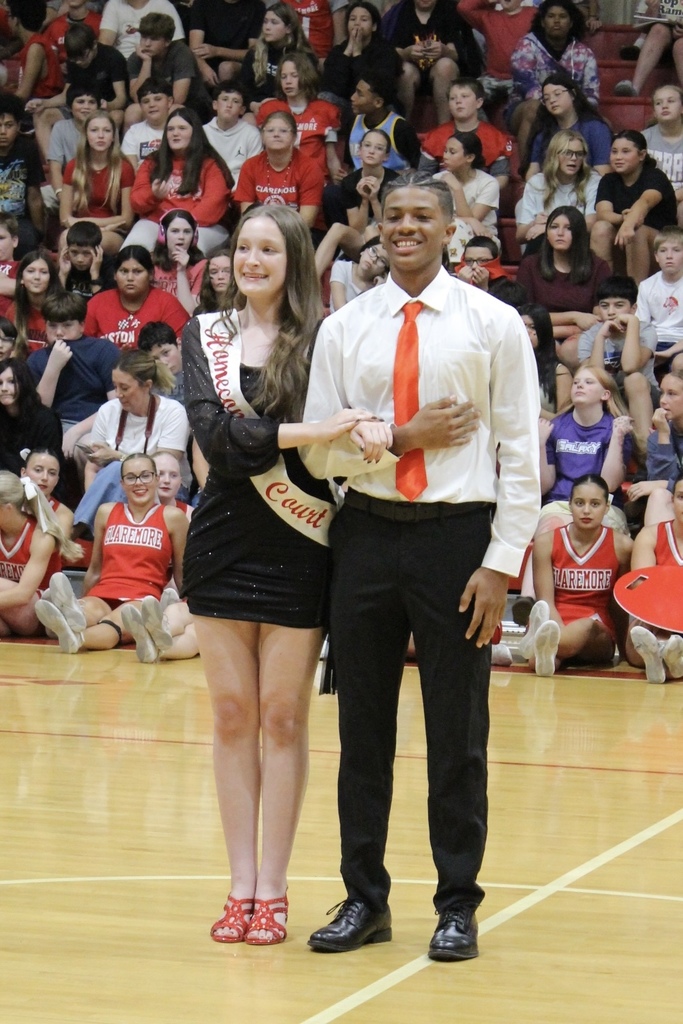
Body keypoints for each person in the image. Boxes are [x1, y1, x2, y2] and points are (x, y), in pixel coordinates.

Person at [302, 176, 540, 960]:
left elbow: (518, 455)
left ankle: (456, 904)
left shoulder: (493, 324)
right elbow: (323, 449)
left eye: (421, 217)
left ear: (450, 230)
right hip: (365, 535)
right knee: (360, 729)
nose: (405, 228)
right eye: (393, 216)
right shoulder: (345, 328)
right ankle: (363, 898)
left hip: (456, 542)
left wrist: (500, 563)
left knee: (456, 731)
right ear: (377, 227)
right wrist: (401, 436)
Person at [181, 205, 378, 946]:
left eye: (268, 248)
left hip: (300, 542)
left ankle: (275, 887)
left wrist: (333, 435)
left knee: (283, 717)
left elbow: (350, 437)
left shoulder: (325, 340)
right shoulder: (206, 335)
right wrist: (307, 432)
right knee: (232, 715)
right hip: (221, 543)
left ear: (294, 259)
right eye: (243, 248)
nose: (252, 259)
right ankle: (238, 887)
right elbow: (220, 441)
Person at [35, 452, 188, 652]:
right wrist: (85, 597)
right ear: (122, 483)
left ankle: (72, 635)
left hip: (143, 597)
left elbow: (181, 571)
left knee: (112, 626)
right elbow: (95, 568)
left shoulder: (174, 517)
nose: (138, 483)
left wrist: (188, 604)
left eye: (145, 475)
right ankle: (70, 614)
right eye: (131, 478)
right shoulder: (106, 512)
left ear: (156, 479)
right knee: (84, 612)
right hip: (103, 592)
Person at [520, 473, 632, 676]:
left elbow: (619, 605)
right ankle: (549, 652)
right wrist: (558, 630)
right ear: (569, 504)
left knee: (586, 626)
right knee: (540, 662)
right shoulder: (546, 542)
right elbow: (546, 601)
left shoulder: (622, 546)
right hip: (555, 619)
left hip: (596, 628)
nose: (586, 510)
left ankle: (538, 642)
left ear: (607, 507)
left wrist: (625, 651)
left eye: (595, 504)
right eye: (579, 503)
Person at [71, 347, 190, 534]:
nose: (118, 394)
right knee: (114, 473)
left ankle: (77, 531)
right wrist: (95, 505)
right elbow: (92, 468)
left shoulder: (173, 412)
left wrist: (118, 456)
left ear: (147, 385)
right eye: (114, 386)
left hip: (165, 488)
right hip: (116, 490)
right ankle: (94, 526)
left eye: (124, 388)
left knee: (116, 469)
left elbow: (165, 466)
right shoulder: (107, 410)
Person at [538, 364, 633, 532]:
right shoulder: (554, 428)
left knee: (592, 532)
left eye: (589, 382)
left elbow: (609, 484)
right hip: (560, 503)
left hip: (603, 505)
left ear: (605, 394)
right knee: (553, 530)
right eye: (576, 383)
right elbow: (544, 486)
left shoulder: (617, 428)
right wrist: (540, 444)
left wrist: (617, 437)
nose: (580, 385)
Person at [26, 292, 119, 460]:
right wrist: (53, 367)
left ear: (82, 325)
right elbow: (39, 410)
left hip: (95, 423)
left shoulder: (103, 350)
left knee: (88, 448)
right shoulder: (37, 359)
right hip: (52, 426)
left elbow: (116, 403)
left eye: (67, 325)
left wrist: (76, 431)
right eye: (52, 326)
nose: (59, 332)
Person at [516, 205, 610, 369]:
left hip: (583, 335)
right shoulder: (530, 265)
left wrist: (560, 329)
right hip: (539, 332)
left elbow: (597, 319)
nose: (560, 233)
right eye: (554, 227)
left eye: (568, 228)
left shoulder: (598, 266)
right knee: (547, 345)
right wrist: (574, 317)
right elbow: (525, 316)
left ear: (579, 233)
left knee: (571, 349)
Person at [128, 107, 233, 254]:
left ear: (194, 133)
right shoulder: (153, 161)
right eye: (170, 129)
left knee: (189, 248)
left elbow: (213, 206)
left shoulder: (210, 163)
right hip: (157, 223)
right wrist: (153, 196)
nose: (175, 133)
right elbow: (136, 201)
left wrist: (178, 227)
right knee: (132, 251)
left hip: (201, 226)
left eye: (182, 128)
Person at [507, 0, 599, 166]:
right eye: (551, 16)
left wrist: (570, 110)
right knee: (533, 107)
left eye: (563, 17)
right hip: (525, 109)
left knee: (604, 123)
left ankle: (590, 177)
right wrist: (556, 107)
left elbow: (591, 94)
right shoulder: (526, 45)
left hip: (572, 110)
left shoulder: (584, 53)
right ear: (542, 21)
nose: (556, 21)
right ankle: (527, 173)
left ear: (571, 23)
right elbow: (525, 85)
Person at [578, 274, 658, 450]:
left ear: (633, 308)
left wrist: (633, 324)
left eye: (619, 305)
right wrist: (601, 337)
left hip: (643, 395)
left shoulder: (645, 330)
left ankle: (645, 453)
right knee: (590, 385)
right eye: (604, 306)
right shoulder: (590, 336)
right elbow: (595, 377)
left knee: (634, 379)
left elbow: (630, 367)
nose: (611, 312)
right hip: (606, 396)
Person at [591, 131, 678, 286]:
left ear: (642, 155)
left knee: (636, 231)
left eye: (626, 152)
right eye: (614, 152)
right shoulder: (608, 180)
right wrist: (623, 219)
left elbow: (644, 202)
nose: (618, 157)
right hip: (623, 244)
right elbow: (603, 213)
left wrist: (630, 222)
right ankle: (605, 290)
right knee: (600, 228)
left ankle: (636, 295)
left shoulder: (655, 176)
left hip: (661, 247)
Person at [0, 470, 80, 638]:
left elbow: (23, 595)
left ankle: (61, 617)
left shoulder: (41, 536)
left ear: (7, 509)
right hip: (7, 611)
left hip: (36, 611)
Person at [624, 472, 683, 683]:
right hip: (659, 613)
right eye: (681, 497)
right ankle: (669, 655)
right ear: (672, 500)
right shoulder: (651, 535)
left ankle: (664, 659)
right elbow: (641, 588)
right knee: (635, 646)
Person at [381, 0, 482, 125]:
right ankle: (401, 127)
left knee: (445, 66)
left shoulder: (451, 11)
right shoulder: (399, 13)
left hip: (443, 74)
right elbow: (390, 52)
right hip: (412, 72)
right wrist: (407, 53)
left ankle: (444, 127)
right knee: (404, 70)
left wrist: (444, 50)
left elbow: (460, 54)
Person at [256, 53, 342, 182]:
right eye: (283, 77)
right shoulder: (269, 109)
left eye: (294, 76)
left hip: (314, 180)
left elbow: (331, 158)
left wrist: (337, 184)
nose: (288, 81)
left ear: (306, 76)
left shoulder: (326, 110)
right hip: (277, 181)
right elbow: (260, 152)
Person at [83, 245, 189, 349]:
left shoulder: (167, 304)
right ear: (115, 275)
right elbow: (82, 346)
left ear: (151, 274)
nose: (130, 278)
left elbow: (182, 348)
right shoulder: (97, 303)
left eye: (137, 271)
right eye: (124, 271)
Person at [60, 111, 135, 255]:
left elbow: (127, 219)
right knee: (65, 238)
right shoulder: (73, 166)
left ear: (113, 137)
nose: (100, 136)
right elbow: (64, 217)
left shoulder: (124, 168)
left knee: (92, 243)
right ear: (86, 136)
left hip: (112, 232)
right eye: (94, 130)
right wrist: (80, 225)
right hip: (79, 231)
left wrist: (84, 222)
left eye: (106, 131)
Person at [234, 110, 325, 229]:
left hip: (299, 233)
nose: (276, 134)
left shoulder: (310, 167)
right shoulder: (250, 166)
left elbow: (307, 221)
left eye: (283, 131)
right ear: (262, 136)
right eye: (270, 130)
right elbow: (247, 215)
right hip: (259, 230)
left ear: (294, 137)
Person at [418, 78, 513, 191]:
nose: (458, 101)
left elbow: (501, 176)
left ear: (479, 102)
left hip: (481, 197)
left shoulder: (496, 138)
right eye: (453, 98)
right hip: (444, 194)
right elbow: (423, 176)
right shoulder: (435, 137)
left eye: (464, 96)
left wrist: (482, 193)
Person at [517, 129, 601, 255]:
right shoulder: (536, 182)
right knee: (539, 240)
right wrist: (534, 224)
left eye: (579, 154)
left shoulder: (593, 181)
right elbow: (520, 235)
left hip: (579, 242)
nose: (574, 158)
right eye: (567, 153)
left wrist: (550, 228)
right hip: (544, 243)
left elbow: (590, 224)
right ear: (554, 155)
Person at [125, 12, 213, 130]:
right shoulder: (136, 58)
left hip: (193, 104)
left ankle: (164, 147)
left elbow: (178, 98)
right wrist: (146, 63)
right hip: (156, 104)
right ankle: (130, 148)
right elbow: (138, 98)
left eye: (154, 39)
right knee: (132, 111)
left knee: (173, 110)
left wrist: (153, 107)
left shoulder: (181, 53)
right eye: (144, 37)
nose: (147, 44)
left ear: (167, 41)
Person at [320, 1, 402, 116]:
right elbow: (332, 87)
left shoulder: (385, 51)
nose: (357, 24)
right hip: (348, 104)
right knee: (324, 98)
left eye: (364, 20)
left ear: (374, 26)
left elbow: (378, 89)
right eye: (353, 19)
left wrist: (358, 54)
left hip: (375, 104)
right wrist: (348, 51)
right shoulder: (339, 51)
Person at [524, 73, 611, 179]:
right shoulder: (543, 131)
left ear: (573, 94)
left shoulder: (596, 129)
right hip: (550, 189)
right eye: (546, 98)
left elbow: (603, 172)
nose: (552, 100)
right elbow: (533, 171)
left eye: (557, 94)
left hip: (586, 189)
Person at [239, 3, 316, 117]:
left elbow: (309, 91)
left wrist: (275, 103)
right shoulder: (254, 53)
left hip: (292, 108)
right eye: (265, 21)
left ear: (289, 28)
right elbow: (243, 88)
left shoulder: (304, 56)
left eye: (274, 22)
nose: (267, 27)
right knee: (248, 119)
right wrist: (252, 104)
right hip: (258, 107)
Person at [627, 370, 683, 527]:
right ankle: (662, 550)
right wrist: (664, 437)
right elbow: (659, 481)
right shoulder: (657, 437)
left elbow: (660, 483)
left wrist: (663, 484)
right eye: (662, 393)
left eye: (672, 394)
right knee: (659, 496)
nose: (663, 400)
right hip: (676, 505)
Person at [434, 131, 499, 265]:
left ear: (469, 157)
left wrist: (457, 189)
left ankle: (456, 271)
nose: (445, 156)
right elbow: (434, 215)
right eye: (445, 151)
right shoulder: (437, 180)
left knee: (458, 226)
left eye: (452, 152)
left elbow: (471, 223)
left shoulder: (488, 183)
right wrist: (470, 220)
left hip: (480, 236)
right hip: (443, 231)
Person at [0, 358, 63, 479]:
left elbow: (49, 464)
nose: (4, 388)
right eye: (0, 383)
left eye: (12, 382)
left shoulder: (46, 420)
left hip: (39, 486)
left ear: (24, 384)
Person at [457, 0, 535, 97]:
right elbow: (463, 7)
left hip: (523, 78)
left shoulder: (534, 14)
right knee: (469, 97)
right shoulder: (488, 17)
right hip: (493, 78)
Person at [0, 94, 46, 258]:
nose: (3, 132)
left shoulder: (28, 149)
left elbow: (34, 195)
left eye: (8, 125)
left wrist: (40, 233)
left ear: (19, 126)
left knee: (26, 239)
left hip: (18, 220)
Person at [635, 226, 683, 371]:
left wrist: (669, 352)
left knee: (679, 364)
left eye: (676, 250)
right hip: (654, 341)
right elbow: (642, 326)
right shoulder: (646, 286)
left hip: (679, 342)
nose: (669, 256)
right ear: (656, 256)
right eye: (663, 251)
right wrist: (648, 350)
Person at [189, 0, 266, 88]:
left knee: (226, 68)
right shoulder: (202, 3)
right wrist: (203, 68)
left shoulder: (257, 7)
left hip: (239, 65)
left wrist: (217, 51)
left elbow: (253, 53)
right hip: (205, 62)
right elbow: (194, 48)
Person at [202, 84, 263, 188]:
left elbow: (255, 171)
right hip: (209, 187)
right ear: (215, 105)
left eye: (235, 101)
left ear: (242, 110)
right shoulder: (202, 132)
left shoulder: (252, 134)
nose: (229, 105)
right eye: (225, 99)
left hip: (241, 189)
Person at [7, 249, 64, 357]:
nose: (37, 277)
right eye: (31, 271)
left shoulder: (63, 309)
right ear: (21, 278)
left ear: (51, 279)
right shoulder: (14, 309)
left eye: (43, 272)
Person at [519, 301, 571, 416]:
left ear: (543, 332)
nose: (526, 332)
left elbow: (564, 423)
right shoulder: (505, 365)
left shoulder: (559, 372)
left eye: (533, 327)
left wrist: (532, 409)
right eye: (522, 326)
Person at [641, 84, 683, 228]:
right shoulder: (643, 139)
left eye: (670, 101)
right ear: (654, 111)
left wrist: (671, 197)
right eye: (659, 103)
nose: (664, 106)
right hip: (653, 198)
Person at [6, 0, 64, 103]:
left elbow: (23, 94)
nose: (7, 21)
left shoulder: (35, 47)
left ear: (16, 20)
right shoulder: (33, 43)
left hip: (40, 105)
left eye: (8, 16)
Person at [151, 209, 207, 315]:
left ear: (194, 236)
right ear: (163, 234)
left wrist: (181, 271)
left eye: (187, 231)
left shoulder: (201, 266)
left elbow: (189, 312)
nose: (181, 237)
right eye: (175, 231)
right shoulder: (150, 262)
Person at [98, 0, 184, 61]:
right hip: (122, 64)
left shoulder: (163, 5)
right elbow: (105, 43)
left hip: (156, 62)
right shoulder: (113, 4)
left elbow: (177, 44)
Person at [121, 78, 173, 172]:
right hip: (142, 182)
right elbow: (130, 170)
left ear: (169, 102)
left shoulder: (180, 130)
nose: (151, 104)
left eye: (157, 99)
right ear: (140, 106)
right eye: (146, 101)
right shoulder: (133, 132)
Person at [21, 447, 74, 537]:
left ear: (57, 480)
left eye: (52, 473)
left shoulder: (64, 514)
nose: (45, 477)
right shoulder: (8, 504)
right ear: (23, 473)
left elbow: (46, 550)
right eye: (38, 470)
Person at [58, 221, 116, 301]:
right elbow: (57, 305)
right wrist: (63, 274)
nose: (80, 259)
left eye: (86, 253)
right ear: (67, 250)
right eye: (74, 252)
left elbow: (103, 305)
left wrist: (95, 274)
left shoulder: (108, 266)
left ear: (97, 251)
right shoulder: (66, 264)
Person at [329, 239, 388, 311]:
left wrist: (378, 290)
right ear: (363, 251)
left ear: (384, 271)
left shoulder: (379, 287)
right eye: (373, 251)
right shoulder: (342, 267)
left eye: (382, 260)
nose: (374, 259)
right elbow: (340, 310)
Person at [195, 249, 232, 314]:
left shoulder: (246, 309)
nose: (220, 277)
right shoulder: (201, 312)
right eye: (214, 272)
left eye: (227, 271)